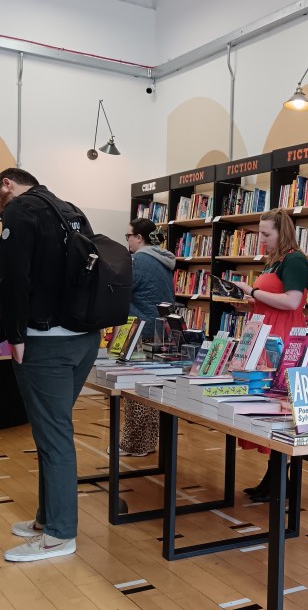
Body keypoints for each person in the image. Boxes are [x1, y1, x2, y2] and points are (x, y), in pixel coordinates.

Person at [0, 167, 101, 562]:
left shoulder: (20, 211)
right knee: (50, 432)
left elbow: (13, 279)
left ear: (7, 183)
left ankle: (59, 534)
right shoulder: (70, 209)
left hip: (44, 343)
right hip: (83, 339)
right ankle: (46, 519)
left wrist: (14, 336)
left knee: (54, 437)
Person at [232, 207, 308, 502]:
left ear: (282, 232)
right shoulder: (273, 262)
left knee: (277, 407)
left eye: (267, 234)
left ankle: (278, 477)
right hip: (265, 334)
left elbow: (291, 302)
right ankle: (274, 476)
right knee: (265, 405)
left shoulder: (295, 260)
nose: (262, 239)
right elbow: (269, 301)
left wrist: (251, 291)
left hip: (284, 338)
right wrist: (247, 302)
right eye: (260, 234)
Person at [118, 218, 176, 456]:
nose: (127, 241)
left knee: (136, 390)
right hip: (162, 329)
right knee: (151, 389)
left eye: (128, 236)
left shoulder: (138, 260)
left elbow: (123, 289)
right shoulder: (162, 260)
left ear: (139, 238)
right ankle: (148, 442)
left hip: (142, 329)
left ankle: (136, 444)